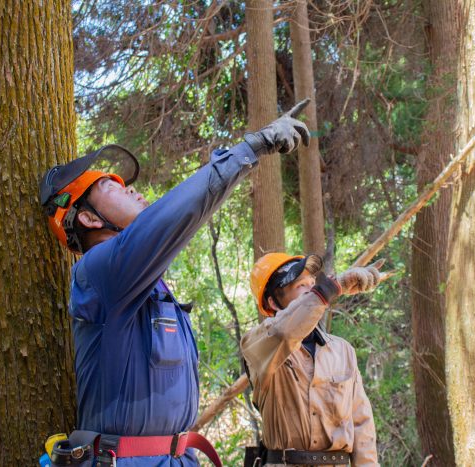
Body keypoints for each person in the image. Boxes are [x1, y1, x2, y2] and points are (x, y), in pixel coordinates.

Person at [38, 100, 312, 467]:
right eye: (111, 186)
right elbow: (176, 214)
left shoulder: (150, 283)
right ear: (88, 218)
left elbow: (179, 217)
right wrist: (250, 148)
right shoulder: (98, 271)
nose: (132, 190)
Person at [241, 253, 382, 466]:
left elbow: (362, 425)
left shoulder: (342, 350)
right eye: (301, 286)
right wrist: (331, 287)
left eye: (312, 284)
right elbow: (284, 332)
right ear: (273, 301)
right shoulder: (258, 344)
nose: (311, 290)